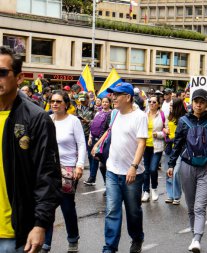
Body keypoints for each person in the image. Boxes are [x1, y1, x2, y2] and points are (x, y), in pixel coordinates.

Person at [0, 46, 61, 253]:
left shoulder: (37, 119)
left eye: (2, 73)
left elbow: (48, 176)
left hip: (15, 235)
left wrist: (40, 224)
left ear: (18, 78)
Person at [92, 82, 147, 253]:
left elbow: (141, 143)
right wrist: (98, 144)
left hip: (133, 175)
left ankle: (137, 238)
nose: (112, 97)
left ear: (128, 97)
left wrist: (133, 166)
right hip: (112, 171)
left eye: (117, 94)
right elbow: (109, 130)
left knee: (133, 212)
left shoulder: (140, 116)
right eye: (112, 94)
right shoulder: (115, 113)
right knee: (112, 211)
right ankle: (110, 247)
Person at [167, 89, 207, 253]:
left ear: (206, 104)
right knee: (191, 207)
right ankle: (194, 237)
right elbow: (177, 145)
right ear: (192, 102)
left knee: (199, 207)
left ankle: (197, 238)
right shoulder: (183, 121)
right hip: (187, 167)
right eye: (196, 101)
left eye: (202, 102)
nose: (199, 104)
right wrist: (171, 164)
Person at [41, 91, 86, 253]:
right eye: (52, 101)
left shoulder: (73, 121)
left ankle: (73, 240)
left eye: (58, 101)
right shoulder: (47, 119)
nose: (54, 104)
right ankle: (45, 244)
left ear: (66, 104)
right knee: (46, 207)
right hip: (48, 170)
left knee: (67, 207)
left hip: (68, 170)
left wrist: (80, 165)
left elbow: (82, 144)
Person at [141, 96, 166, 202]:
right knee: (146, 170)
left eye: (154, 102)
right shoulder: (144, 115)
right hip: (145, 146)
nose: (151, 103)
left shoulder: (162, 115)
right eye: (149, 101)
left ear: (158, 104)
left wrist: (158, 134)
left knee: (153, 169)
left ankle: (154, 189)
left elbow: (166, 131)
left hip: (157, 146)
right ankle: (146, 191)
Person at [162, 98, 187, 204]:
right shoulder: (170, 117)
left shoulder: (184, 119)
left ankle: (177, 195)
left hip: (179, 149)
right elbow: (165, 129)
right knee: (168, 172)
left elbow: (182, 135)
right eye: (170, 105)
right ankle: (170, 195)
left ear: (178, 106)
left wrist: (172, 138)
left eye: (172, 105)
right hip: (169, 147)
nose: (170, 107)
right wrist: (164, 131)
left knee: (176, 172)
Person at [84, 97, 112, 186]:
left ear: (110, 103)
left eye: (106, 102)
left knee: (103, 165)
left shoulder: (112, 114)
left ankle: (107, 184)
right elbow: (93, 127)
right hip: (95, 139)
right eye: (103, 102)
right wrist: (90, 138)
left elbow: (109, 130)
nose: (104, 103)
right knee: (95, 160)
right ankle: (93, 178)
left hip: (105, 142)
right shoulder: (98, 113)